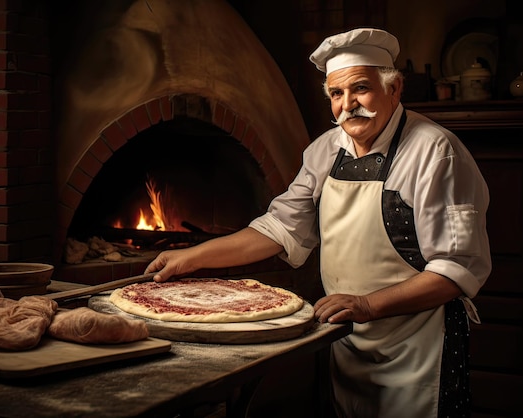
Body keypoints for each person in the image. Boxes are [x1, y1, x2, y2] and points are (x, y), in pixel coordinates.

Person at [145, 28, 491, 418]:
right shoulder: (326, 150)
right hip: (349, 336)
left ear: (394, 90)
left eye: (360, 89)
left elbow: (455, 270)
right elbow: (280, 228)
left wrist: (366, 304)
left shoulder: (435, 152)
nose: (348, 106)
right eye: (336, 94)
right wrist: (191, 257)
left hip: (420, 344)